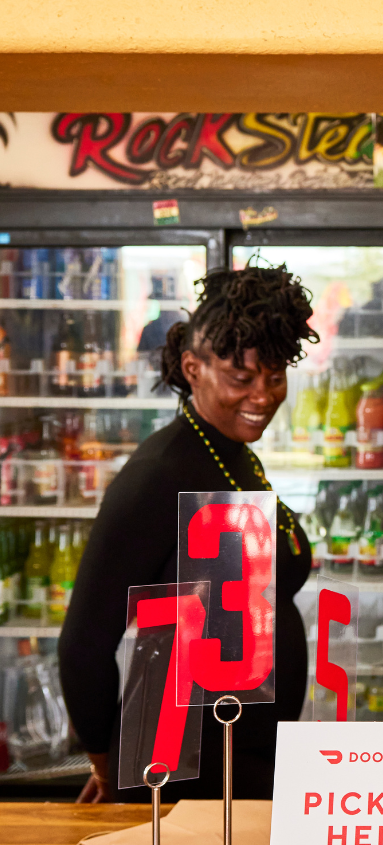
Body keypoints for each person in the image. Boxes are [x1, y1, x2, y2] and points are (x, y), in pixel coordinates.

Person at [62, 265, 317, 803]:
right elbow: (84, 641)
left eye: (275, 377)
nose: (263, 396)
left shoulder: (231, 453)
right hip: (185, 769)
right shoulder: (159, 471)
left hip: (242, 758)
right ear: (193, 368)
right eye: (241, 379)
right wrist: (106, 764)